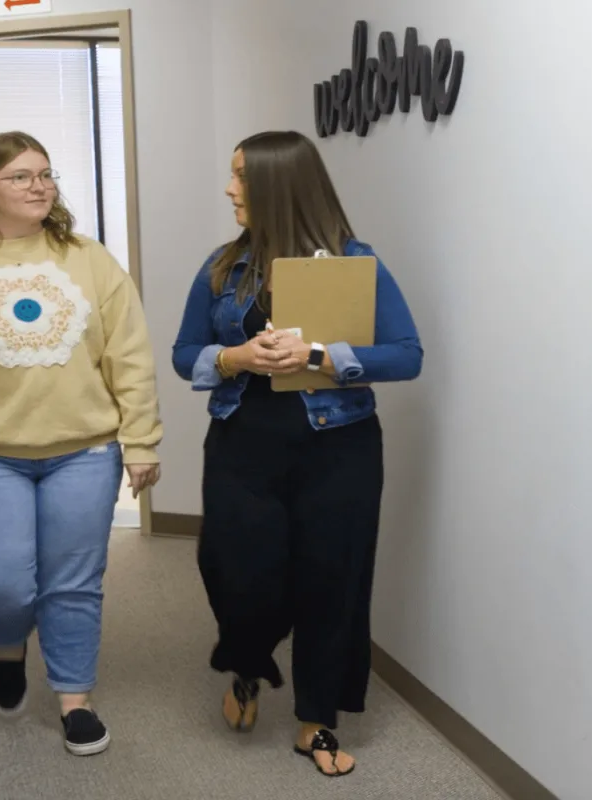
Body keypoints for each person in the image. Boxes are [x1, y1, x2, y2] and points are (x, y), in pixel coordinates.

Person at [0, 130, 163, 756]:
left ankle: (75, 698)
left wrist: (141, 439)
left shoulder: (89, 260)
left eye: (45, 174)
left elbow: (129, 354)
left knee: (74, 582)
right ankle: (9, 642)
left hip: (85, 450)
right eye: (20, 176)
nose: (39, 186)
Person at [171, 130, 423, 777]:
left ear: (278, 185)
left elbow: (406, 354)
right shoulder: (222, 267)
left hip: (339, 450)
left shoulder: (354, 261)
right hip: (242, 446)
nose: (229, 189)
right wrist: (235, 357)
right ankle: (248, 664)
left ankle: (316, 720)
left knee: (332, 582)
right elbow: (183, 353)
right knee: (236, 572)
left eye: (240, 176)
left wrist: (318, 355)